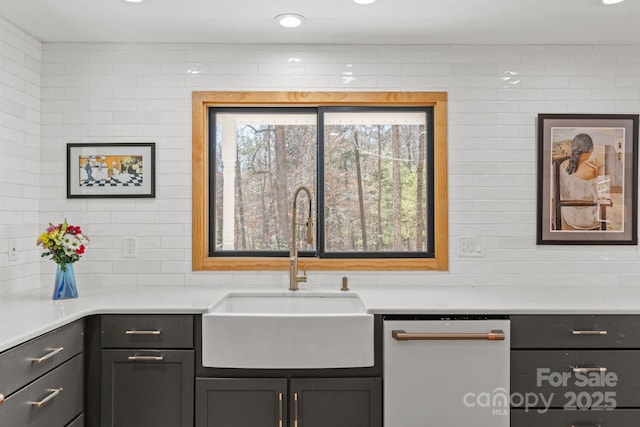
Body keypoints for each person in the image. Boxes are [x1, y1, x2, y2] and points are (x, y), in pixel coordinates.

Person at [558, 133, 601, 230]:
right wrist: (601, 169)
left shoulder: (562, 165)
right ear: (588, 150)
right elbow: (601, 195)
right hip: (588, 220)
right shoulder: (592, 170)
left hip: (569, 216)